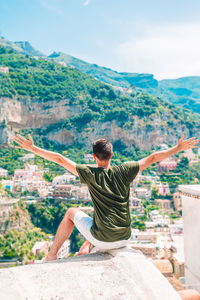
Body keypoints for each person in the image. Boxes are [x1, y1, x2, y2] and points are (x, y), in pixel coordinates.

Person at [13, 134, 199, 261]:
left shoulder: (90, 173)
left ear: (94, 156)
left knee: (71, 212)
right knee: (96, 218)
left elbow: (60, 159)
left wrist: (33, 148)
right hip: (125, 237)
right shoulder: (125, 170)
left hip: (104, 239)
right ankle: (86, 246)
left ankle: (51, 256)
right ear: (112, 155)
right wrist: (178, 147)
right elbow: (152, 158)